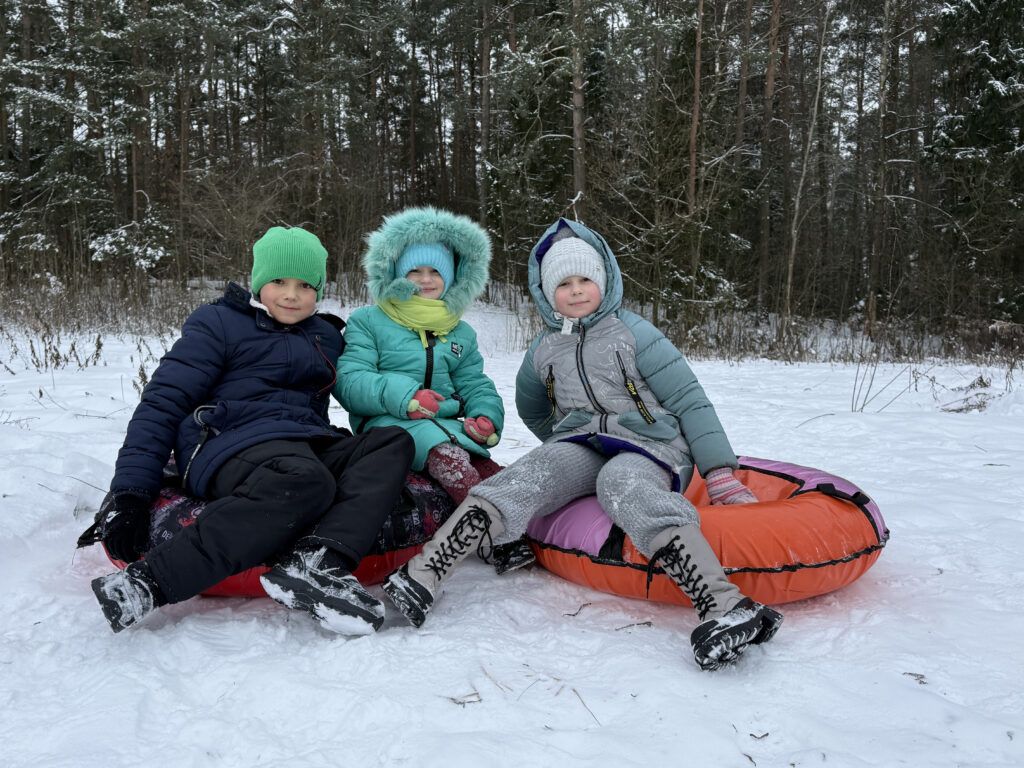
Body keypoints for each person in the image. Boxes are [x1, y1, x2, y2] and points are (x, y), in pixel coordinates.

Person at [382, 218, 783, 671]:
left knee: (622, 482)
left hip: (650, 445)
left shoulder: (635, 334)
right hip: (584, 440)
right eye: (564, 283)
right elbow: (531, 408)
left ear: (604, 280)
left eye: (585, 279)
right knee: (526, 473)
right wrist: (560, 448)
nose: (575, 291)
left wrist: (718, 472)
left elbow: (689, 400)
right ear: (546, 292)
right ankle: (425, 573)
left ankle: (725, 604)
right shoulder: (544, 349)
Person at [84, 226, 415, 635]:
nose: (291, 294)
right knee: (306, 480)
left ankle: (318, 564)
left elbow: (370, 375)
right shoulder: (219, 322)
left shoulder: (325, 336)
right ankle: (147, 583)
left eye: (305, 285)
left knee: (391, 442)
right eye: (278, 281)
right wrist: (130, 493)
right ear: (259, 281)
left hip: (305, 441)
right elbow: (162, 401)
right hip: (227, 441)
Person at [335, 207, 533, 574]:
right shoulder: (370, 321)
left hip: (445, 423)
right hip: (388, 424)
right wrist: (407, 397)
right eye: (415, 271)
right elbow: (350, 380)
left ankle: (525, 527)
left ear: (452, 278)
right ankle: (494, 539)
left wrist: (486, 416)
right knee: (451, 461)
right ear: (397, 274)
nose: (425, 280)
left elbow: (474, 382)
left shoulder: (458, 332)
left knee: (488, 468)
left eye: (435, 272)